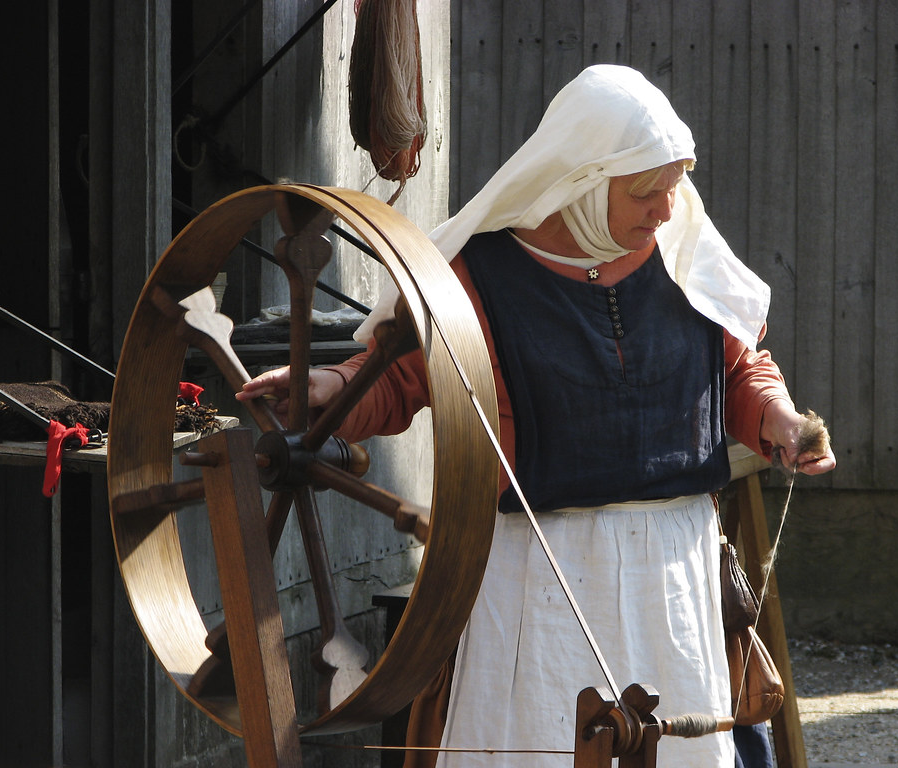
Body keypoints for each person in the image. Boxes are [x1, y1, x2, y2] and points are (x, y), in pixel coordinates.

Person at [238, 64, 835, 767]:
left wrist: (780, 421)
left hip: (673, 572)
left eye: (674, 188)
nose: (668, 209)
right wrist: (329, 388)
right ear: (582, 181)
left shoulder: (682, 255)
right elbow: (402, 376)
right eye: (646, 192)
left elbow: (737, 368)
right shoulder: (477, 274)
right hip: (538, 577)